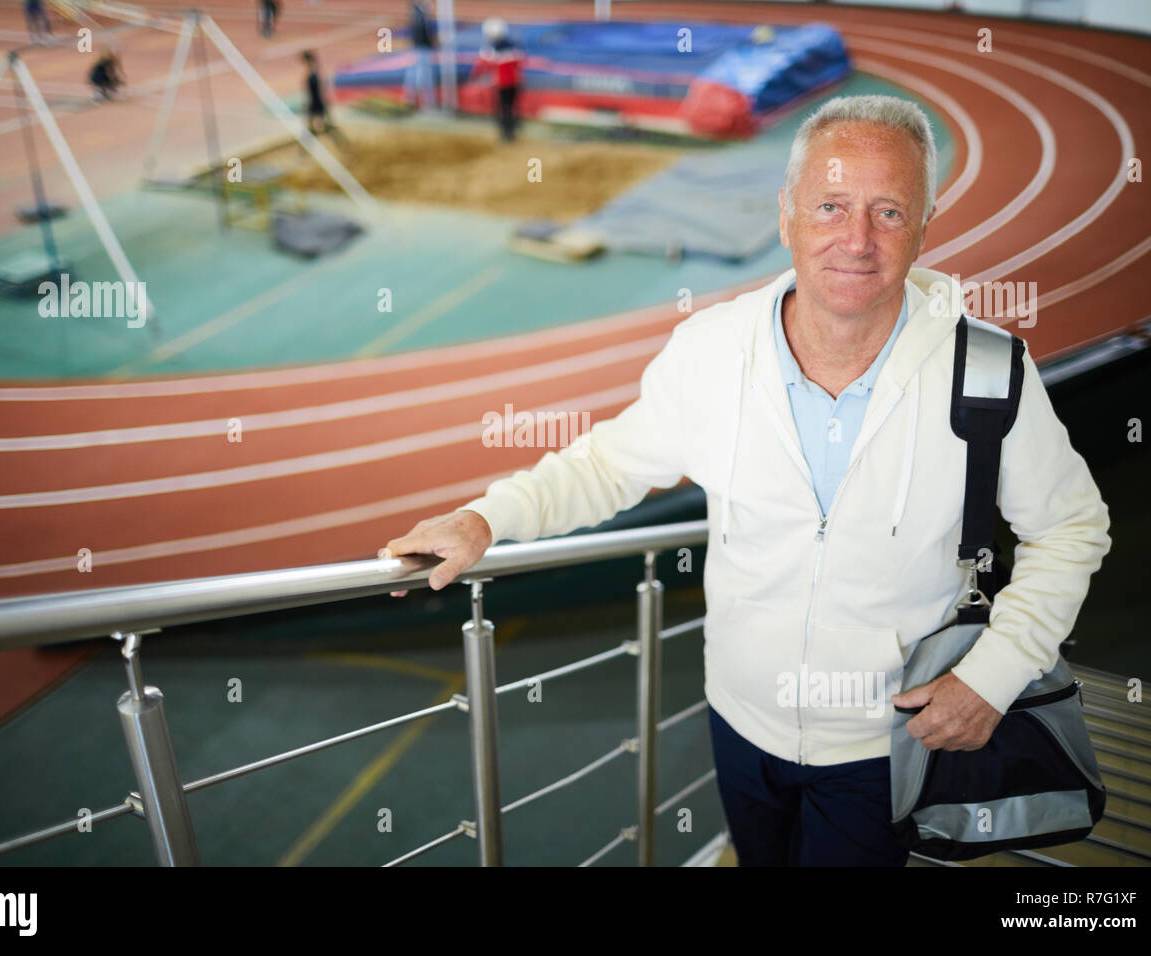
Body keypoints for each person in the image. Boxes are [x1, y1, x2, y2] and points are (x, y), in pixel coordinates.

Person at [377, 95, 1112, 866]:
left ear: (925, 225)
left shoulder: (988, 371)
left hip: (886, 741)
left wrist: (992, 678)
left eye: (889, 212)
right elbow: (607, 464)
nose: (856, 240)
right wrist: (485, 520)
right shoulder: (711, 351)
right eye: (830, 206)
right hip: (739, 724)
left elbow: (1070, 528)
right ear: (786, 215)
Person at [468, 18, 524, 141]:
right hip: (513, 83)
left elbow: (482, 66)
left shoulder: (492, 49)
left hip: (502, 84)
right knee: (510, 108)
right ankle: (510, 132)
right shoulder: (513, 47)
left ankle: (506, 133)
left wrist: (475, 76)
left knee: (503, 109)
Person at [302, 51, 354, 160]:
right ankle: (304, 153)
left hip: (317, 107)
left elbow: (318, 94)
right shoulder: (316, 72)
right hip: (317, 106)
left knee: (326, 129)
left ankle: (345, 148)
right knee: (313, 130)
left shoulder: (314, 75)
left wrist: (319, 110)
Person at [403, 1, 437, 110]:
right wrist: (430, 45)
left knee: (415, 75)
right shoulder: (420, 16)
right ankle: (425, 102)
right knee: (424, 76)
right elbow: (422, 32)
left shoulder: (418, 15)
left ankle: (411, 100)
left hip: (418, 48)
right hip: (422, 49)